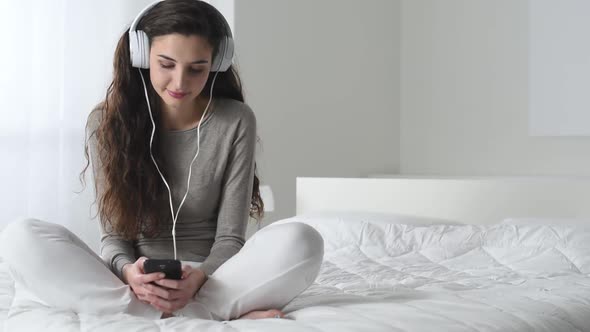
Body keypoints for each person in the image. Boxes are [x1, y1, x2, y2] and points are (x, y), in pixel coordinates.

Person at [0, 0, 323, 321]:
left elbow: (230, 238)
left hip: (214, 277)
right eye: (166, 64)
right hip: (135, 282)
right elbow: (114, 238)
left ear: (215, 64)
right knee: (19, 236)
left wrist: (198, 279)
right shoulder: (105, 122)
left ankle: (167, 311)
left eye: (197, 68)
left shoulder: (235, 120)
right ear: (142, 57)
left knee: (303, 240)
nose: (180, 83)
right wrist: (130, 274)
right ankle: (206, 314)